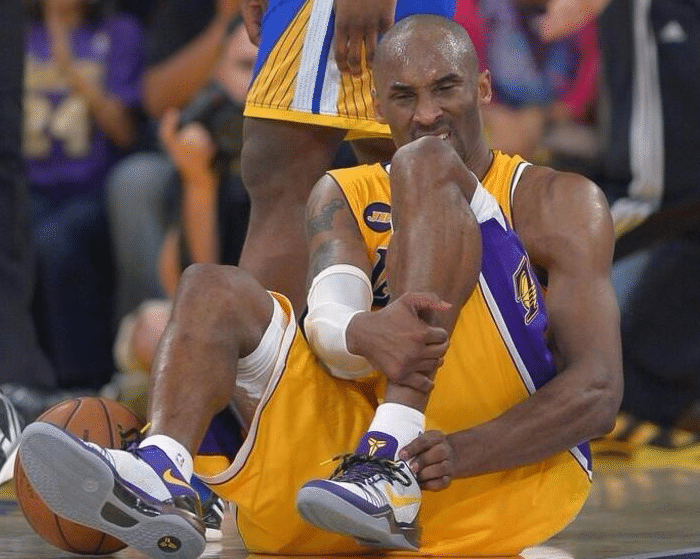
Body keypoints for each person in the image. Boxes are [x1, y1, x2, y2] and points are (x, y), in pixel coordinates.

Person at [18, 14, 622, 558]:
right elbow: (333, 329)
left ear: (483, 88)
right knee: (209, 287)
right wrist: (362, 332)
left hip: (499, 481)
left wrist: (458, 453)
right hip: (339, 502)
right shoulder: (342, 193)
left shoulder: (559, 201)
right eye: (404, 97)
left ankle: (393, 456)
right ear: (377, 108)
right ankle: (165, 470)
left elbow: (597, 392)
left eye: (446, 88)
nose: (427, 113)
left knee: (425, 162)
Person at [22, 0, 144, 394]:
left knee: (54, 243)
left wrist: (70, 69)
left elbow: (125, 132)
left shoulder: (120, 32)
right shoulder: (18, 34)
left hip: (92, 190)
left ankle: (77, 384)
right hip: (27, 188)